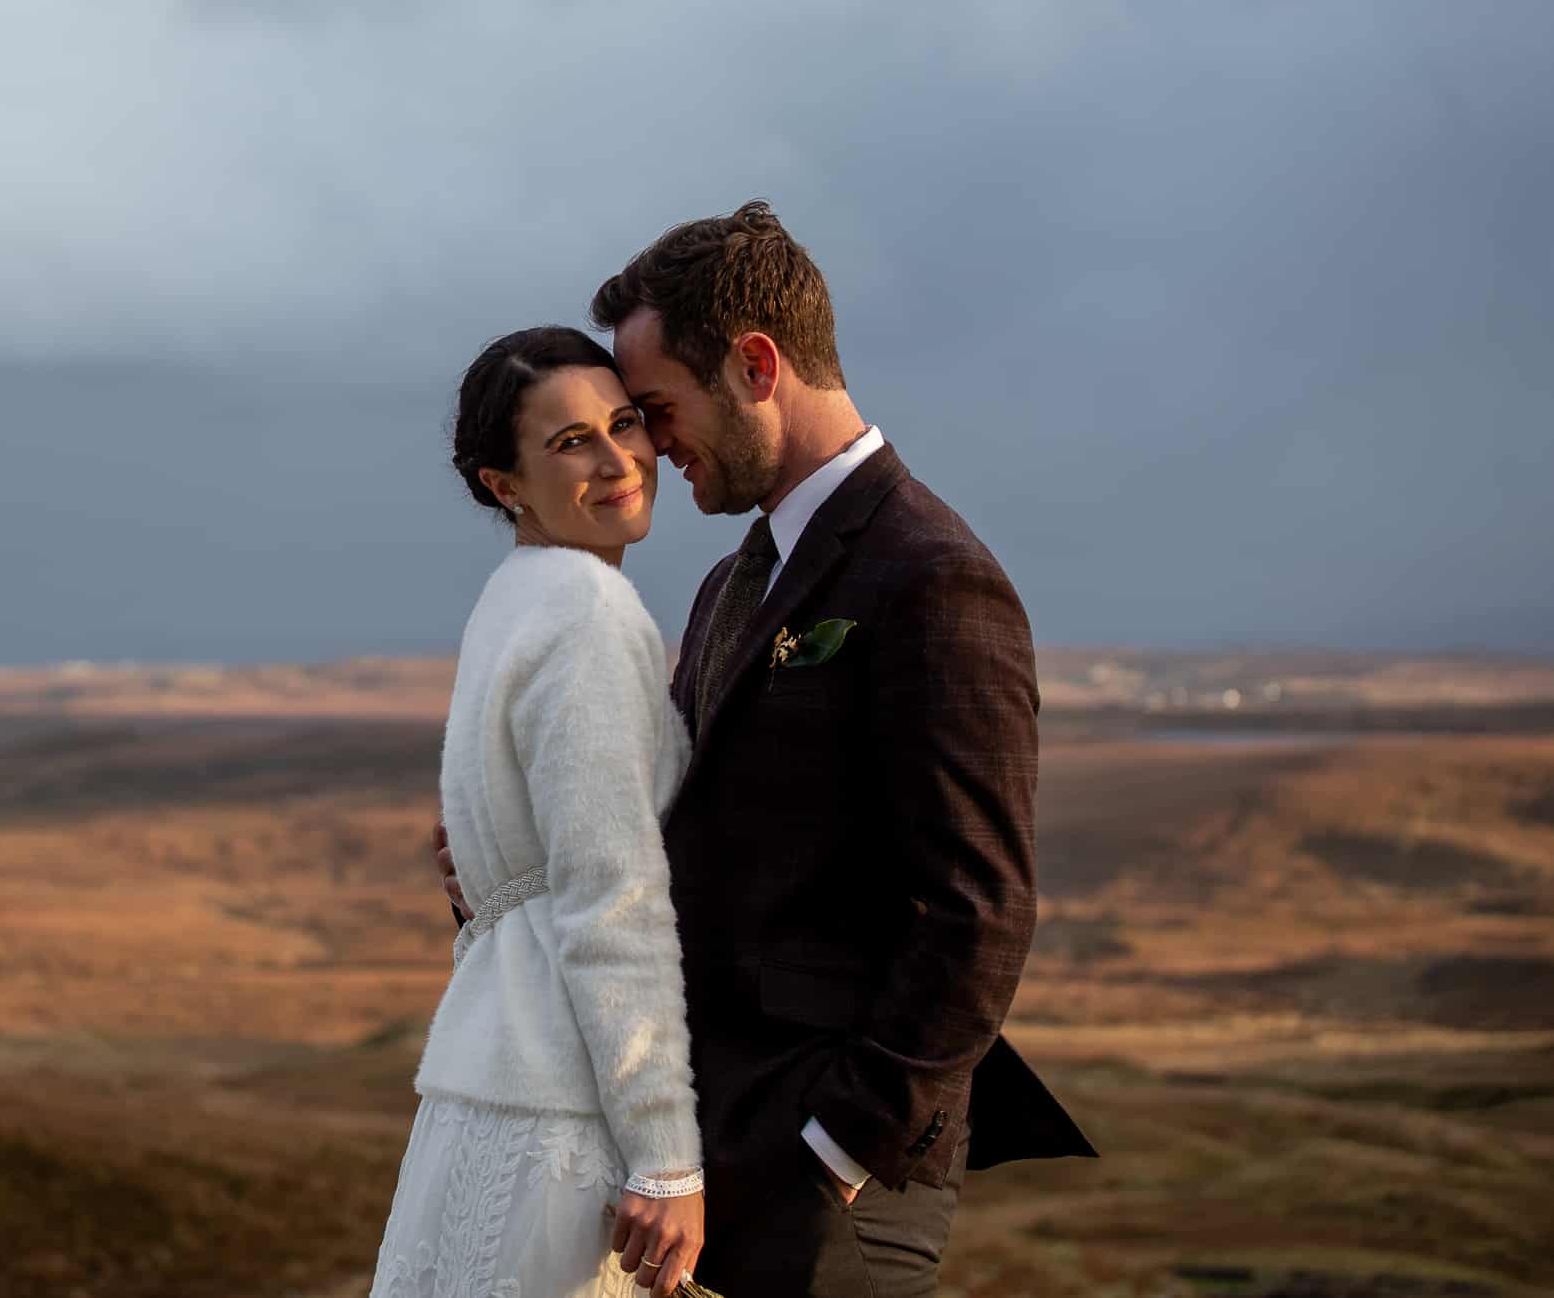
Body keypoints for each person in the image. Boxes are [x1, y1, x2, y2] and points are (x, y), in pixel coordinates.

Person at [436, 205, 1094, 1297]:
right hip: (718, 1150)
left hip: (831, 1184)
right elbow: (697, 840)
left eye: (654, 409)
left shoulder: (929, 574)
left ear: (753, 365)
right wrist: (520, 870)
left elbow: (979, 907)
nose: (648, 445)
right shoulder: (730, 579)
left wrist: (827, 1156)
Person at [369, 326, 709, 1298]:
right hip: (565, 1112)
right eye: (569, 443)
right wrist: (666, 1157)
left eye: (625, 422)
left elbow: (492, 880)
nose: (618, 460)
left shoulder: (510, 599)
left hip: (480, 1093)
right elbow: (612, 897)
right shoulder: (587, 612)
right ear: (501, 482)